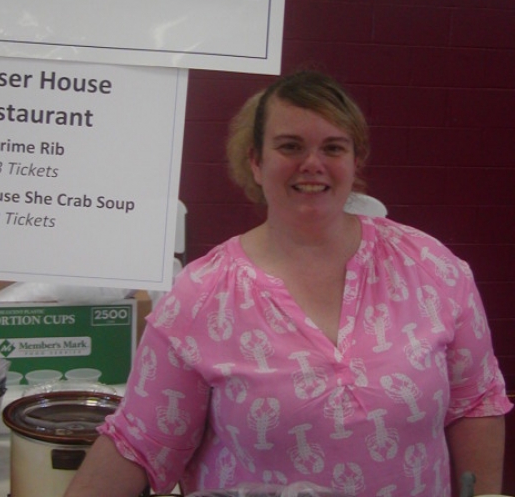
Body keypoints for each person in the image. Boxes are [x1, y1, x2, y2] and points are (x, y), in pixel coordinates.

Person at [64, 70, 512, 497]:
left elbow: (476, 403)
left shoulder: (431, 268)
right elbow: (138, 443)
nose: (312, 164)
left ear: (355, 161)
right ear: (256, 162)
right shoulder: (201, 297)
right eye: (290, 146)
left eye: (333, 148)